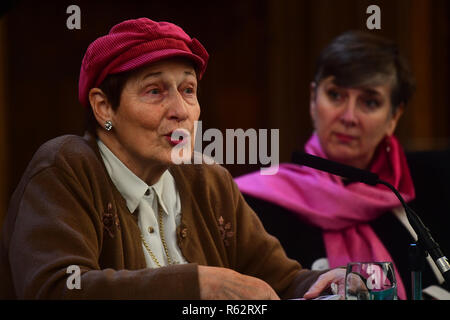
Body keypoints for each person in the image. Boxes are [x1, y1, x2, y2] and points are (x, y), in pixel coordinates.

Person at [0, 17, 345, 299]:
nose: (180, 111)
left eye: (188, 90)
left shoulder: (207, 179)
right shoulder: (67, 167)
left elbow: (281, 281)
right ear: (104, 106)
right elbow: (57, 290)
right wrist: (196, 285)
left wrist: (327, 283)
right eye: (155, 91)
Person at [235, 31, 449, 300]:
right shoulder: (251, 203)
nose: (348, 117)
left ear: (394, 115)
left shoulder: (429, 188)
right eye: (335, 95)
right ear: (313, 100)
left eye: (369, 102)